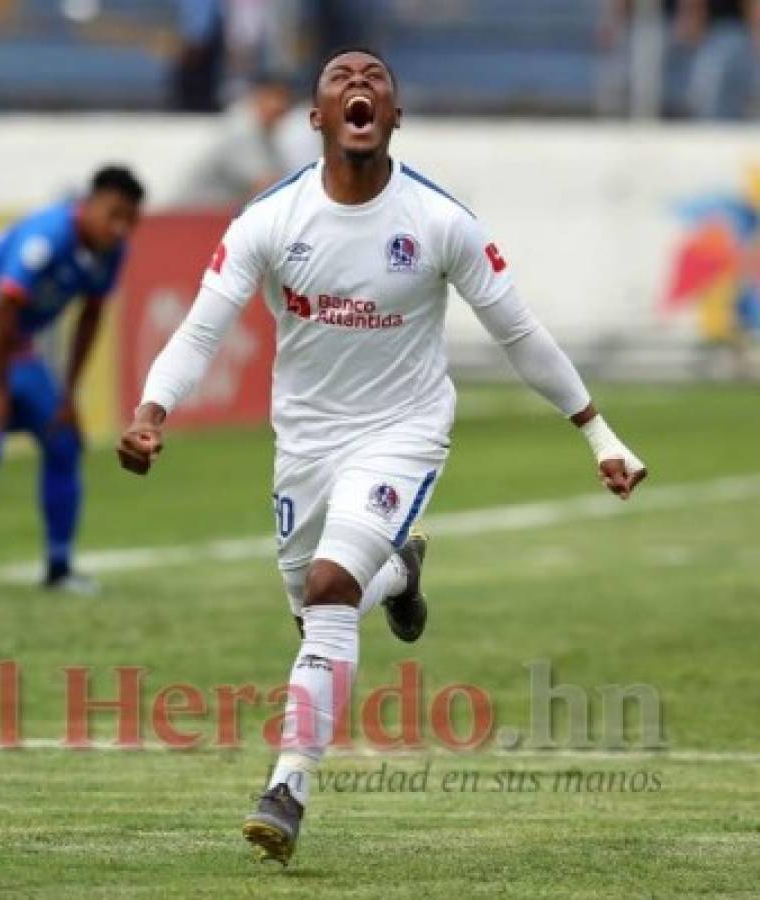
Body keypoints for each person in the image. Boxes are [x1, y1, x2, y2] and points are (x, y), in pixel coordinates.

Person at [117, 48, 647, 865]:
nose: (358, 83)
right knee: (311, 609)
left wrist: (597, 432)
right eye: (340, 78)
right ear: (316, 119)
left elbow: (518, 333)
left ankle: (287, 786)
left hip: (402, 430)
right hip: (305, 437)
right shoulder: (270, 218)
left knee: (330, 590)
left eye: (375, 80)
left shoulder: (439, 222)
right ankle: (399, 574)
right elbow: (200, 328)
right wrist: (152, 412)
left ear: (393, 117)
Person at [0, 166, 145, 595]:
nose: (119, 228)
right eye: (112, 214)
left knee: (63, 438)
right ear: (89, 204)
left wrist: (68, 395)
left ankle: (59, 568)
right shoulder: (47, 236)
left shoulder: (112, 250)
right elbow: (2, 310)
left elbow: (91, 316)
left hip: (13, 342)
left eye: (129, 220)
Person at [600, 0, 759, 119]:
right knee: (632, 63)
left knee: (714, 67)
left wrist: (692, 16)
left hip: (721, 28)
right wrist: (614, 21)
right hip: (665, 24)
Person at [176, 74, 294, 208]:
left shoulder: (266, 135)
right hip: (193, 214)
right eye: (276, 97)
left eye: (286, 99)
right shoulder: (240, 128)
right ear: (260, 96)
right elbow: (267, 185)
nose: (282, 105)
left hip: (218, 214)